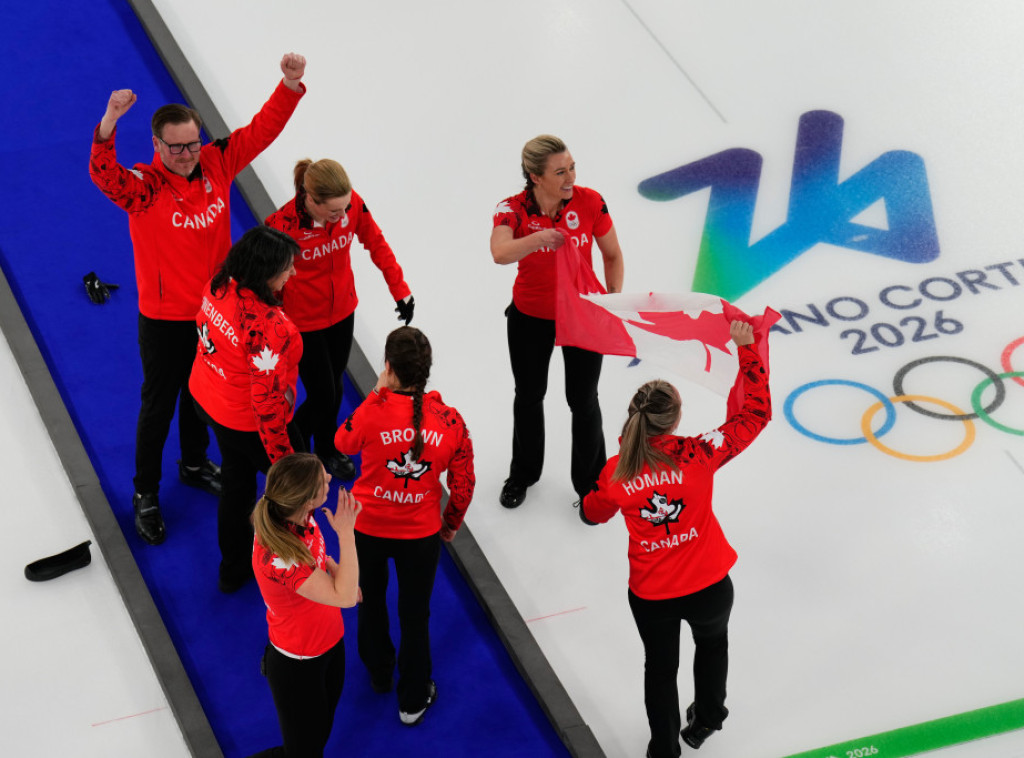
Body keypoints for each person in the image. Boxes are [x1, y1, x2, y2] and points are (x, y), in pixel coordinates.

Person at [89, 53, 308, 546]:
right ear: (157, 145)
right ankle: (145, 492)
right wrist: (108, 123)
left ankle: (192, 462)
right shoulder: (143, 188)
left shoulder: (216, 161)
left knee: (203, 393)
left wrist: (289, 85)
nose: (188, 154)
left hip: (215, 313)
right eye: (177, 147)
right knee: (158, 404)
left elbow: (260, 131)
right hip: (165, 318)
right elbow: (104, 176)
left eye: (193, 143)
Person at [579, 321, 771, 757]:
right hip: (710, 587)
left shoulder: (616, 472)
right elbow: (754, 415)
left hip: (653, 595)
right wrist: (748, 351)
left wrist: (597, 502)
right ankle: (705, 721)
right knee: (713, 646)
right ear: (676, 418)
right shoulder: (701, 454)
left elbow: (593, 514)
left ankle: (664, 750)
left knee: (661, 672)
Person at [334, 326, 474, 726]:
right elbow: (463, 484)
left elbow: (341, 443)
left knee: (370, 601)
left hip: (369, 529)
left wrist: (377, 394)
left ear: (388, 367)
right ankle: (412, 699)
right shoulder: (450, 421)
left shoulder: (374, 411)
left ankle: (379, 673)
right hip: (420, 535)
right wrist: (450, 524)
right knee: (415, 615)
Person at [490, 134, 624, 509]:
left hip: (581, 316)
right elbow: (499, 251)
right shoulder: (513, 209)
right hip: (530, 317)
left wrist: (612, 299)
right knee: (529, 396)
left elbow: (612, 255)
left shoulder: (591, 201)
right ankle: (523, 474)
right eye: (560, 172)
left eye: (572, 167)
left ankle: (591, 485)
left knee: (583, 401)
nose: (570, 178)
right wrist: (539, 239)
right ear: (535, 177)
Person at [266, 158, 413, 482]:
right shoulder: (281, 225)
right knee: (323, 395)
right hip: (303, 322)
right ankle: (291, 451)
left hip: (343, 311)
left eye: (345, 208)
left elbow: (376, 243)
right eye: (334, 212)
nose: (343, 217)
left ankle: (326, 447)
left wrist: (400, 290)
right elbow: (264, 279)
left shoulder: (351, 205)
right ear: (310, 200)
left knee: (333, 385)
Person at [190, 226, 305, 592]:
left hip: (212, 401)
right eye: (287, 268)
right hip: (246, 419)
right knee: (294, 496)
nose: (293, 274)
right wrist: (286, 462)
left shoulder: (219, 283)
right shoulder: (268, 328)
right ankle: (293, 574)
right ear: (266, 272)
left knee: (237, 485)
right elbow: (267, 405)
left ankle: (233, 569)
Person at [250, 452, 361, 758]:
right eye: (322, 481)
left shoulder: (300, 516)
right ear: (306, 500)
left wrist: (335, 571)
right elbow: (345, 598)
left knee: (319, 735)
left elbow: (317, 561)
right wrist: (346, 533)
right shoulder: (278, 556)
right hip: (299, 664)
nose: (329, 479)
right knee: (303, 752)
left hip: (329, 643)